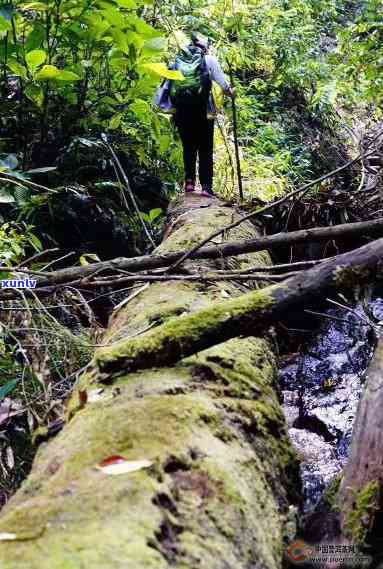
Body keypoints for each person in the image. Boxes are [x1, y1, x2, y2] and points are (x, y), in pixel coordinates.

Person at [170, 32, 235, 197]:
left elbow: (169, 84)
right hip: (203, 112)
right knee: (205, 148)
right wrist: (231, 92)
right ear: (205, 46)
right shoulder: (210, 60)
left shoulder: (178, 60)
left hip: (182, 111)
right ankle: (206, 187)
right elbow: (223, 85)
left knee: (188, 147)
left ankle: (190, 183)